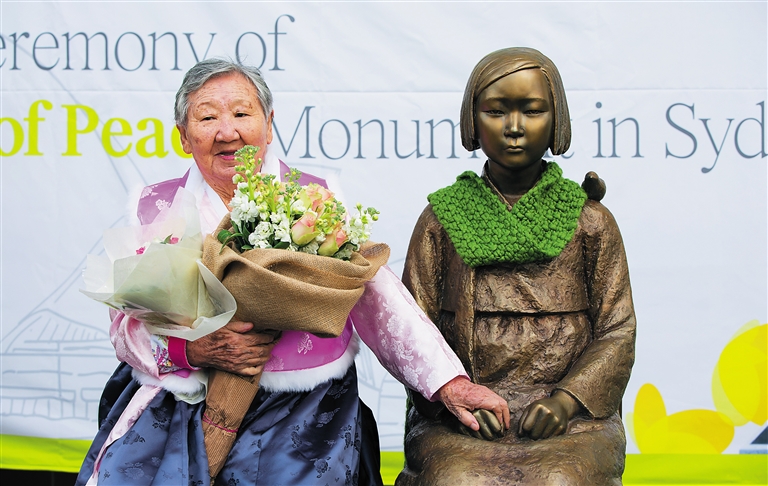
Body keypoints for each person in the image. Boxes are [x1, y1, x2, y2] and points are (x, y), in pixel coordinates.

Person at [75, 58, 509, 486]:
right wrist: (194, 350)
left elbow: (379, 300)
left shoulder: (314, 200)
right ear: (184, 137)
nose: (227, 132)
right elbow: (125, 326)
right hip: (183, 403)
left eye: (242, 114)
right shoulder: (155, 207)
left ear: (268, 124)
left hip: (306, 408)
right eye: (207, 118)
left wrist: (449, 384)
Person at [396, 47, 637, 485]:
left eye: (532, 110)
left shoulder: (590, 221)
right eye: (495, 111)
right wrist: (454, 396)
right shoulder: (442, 221)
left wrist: (566, 401)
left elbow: (617, 330)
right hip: (462, 414)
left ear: (557, 120)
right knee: (456, 479)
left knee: (561, 478)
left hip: (569, 417)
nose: (514, 127)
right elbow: (412, 332)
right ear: (472, 121)